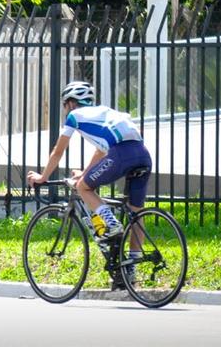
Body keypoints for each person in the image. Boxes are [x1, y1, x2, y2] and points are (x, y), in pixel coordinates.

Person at [26, 80, 152, 286]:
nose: (66, 109)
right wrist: (85, 172)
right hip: (142, 155)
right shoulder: (103, 113)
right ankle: (131, 269)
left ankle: (111, 225)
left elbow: (58, 151)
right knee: (136, 213)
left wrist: (43, 177)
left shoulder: (75, 116)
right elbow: (101, 151)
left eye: (65, 105)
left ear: (71, 103)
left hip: (122, 153)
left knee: (83, 187)